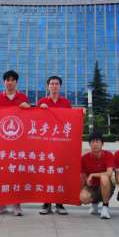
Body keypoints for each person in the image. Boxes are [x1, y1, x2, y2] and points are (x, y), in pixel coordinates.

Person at [0, 70, 30, 216]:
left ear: (16, 82)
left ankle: (16, 205)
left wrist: (28, 108)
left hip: (18, 143)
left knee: (17, 173)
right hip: (1, 142)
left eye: (13, 80)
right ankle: (1, 205)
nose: (10, 82)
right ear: (4, 82)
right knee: (1, 173)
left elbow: (29, 118)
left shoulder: (23, 97)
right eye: (7, 80)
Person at [37, 75, 72, 215]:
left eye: (57, 83)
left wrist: (80, 113)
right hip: (46, 143)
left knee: (59, 172)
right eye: (52, 83)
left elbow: (70, 120)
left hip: (61, 144)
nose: (54, 86)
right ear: (48, 86)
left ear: (60, 86)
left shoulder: (66, 102)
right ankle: (46, 203)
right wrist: (40, 109)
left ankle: (59, 203)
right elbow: (36, 120)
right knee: (46, 172)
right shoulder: (42, 101)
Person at [80, 131, 115, 219]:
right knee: (83, 197)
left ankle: (105, 207)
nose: (95, 144)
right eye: (92, 142)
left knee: (104, 177)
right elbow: (83, 176)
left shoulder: (108, 155)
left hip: (106, 185)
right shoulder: (84, 158)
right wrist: (84, 186)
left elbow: (109, 173)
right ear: (89, 144)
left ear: (102, 144)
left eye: (97, 142)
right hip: (91, 186)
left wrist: (93, 175)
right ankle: (94, 204)